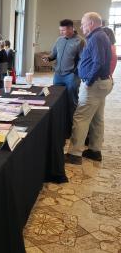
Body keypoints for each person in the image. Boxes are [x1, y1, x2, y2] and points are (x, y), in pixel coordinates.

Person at [65, 12, 113, 165]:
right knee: (97, 118)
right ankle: (94, 150)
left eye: (83, 23)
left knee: (81, 118)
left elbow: (98, 62)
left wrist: (89, 81)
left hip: (94, 84)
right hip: (102, 83)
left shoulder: (97, 37)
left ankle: (74, 153)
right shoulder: (100, 35)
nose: (81, 26)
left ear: (91, 23)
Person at [43, 19, 85, 114]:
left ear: (71, 29)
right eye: (60, 30)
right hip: (58, 75)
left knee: (71, 101)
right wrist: (48, 58)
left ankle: (71, 125)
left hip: (71, 76)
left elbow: (83, 59)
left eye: (63, 30)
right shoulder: (59, 40)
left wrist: (76, 72)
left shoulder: (80, 41)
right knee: (56, 99)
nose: (61, 32)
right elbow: (53, 54)